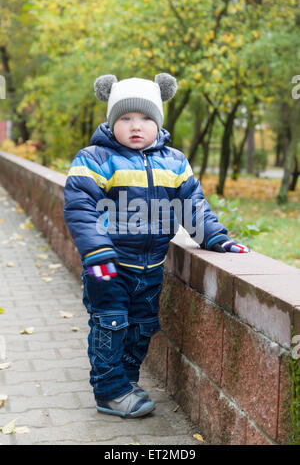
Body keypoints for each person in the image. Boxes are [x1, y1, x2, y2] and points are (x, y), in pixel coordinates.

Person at [64, 73, 249, 419]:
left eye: (146, 117)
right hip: (108, 266)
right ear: (111, 121)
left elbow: (192, 205)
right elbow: (80, 208)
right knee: (110, 323)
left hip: (150, 268)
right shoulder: (95, 159)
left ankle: (127, 381)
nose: (137, 126)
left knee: (142, 327)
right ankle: (109, 390)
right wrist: (96, 252)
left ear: (159, 120)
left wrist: (216, 238)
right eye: (126, 118)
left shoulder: (175, 162)